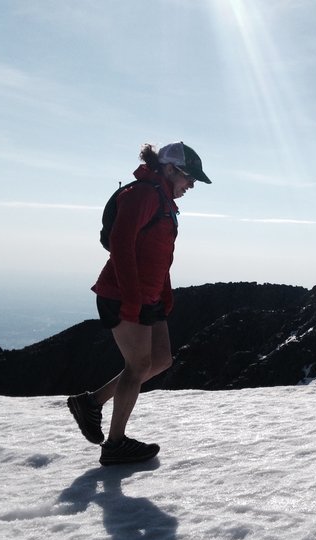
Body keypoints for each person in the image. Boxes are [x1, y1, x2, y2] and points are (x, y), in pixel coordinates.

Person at [67, 142, 211, 466]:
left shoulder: (163, 200)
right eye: (190, 178)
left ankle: (91, 403)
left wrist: (166, 290)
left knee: (160, 359)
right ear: (171, 170)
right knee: (138, 366)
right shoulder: (145, 194)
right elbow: (120, 242)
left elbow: (158, 255)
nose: (192, 185)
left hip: (148, 295)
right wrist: (132, 297)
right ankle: (114, 445)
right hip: (122, 294)